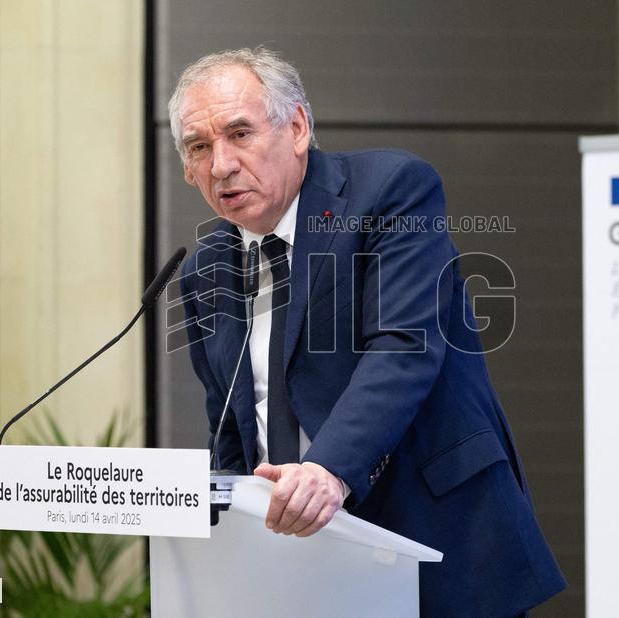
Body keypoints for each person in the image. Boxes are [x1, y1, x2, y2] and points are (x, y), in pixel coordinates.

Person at [170, 47, 565, 616]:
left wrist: (327, 470)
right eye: (199, 147)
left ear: (298, 127)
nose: (221, 164)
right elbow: (231, 426)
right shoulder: (204, 271)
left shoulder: (389, 192)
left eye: (240, 134)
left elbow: (403, 348)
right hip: (295, 566)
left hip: (431, 537)